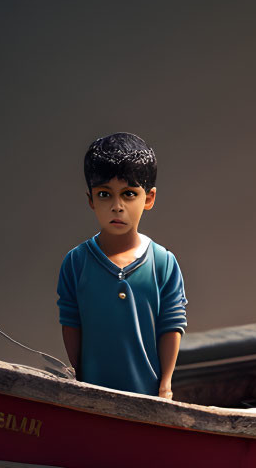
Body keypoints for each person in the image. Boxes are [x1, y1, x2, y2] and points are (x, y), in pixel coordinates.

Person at [56, 132, 187, 399]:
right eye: (105, 194)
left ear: (148, 198)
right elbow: (71, 321)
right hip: (92, 394)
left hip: (148, 395)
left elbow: (171, 325)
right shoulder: (76, 262)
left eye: (129, 194)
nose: (117, 207)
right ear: (91, 199)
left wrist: (165, 384)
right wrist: (79, 376)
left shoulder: (163, 263)